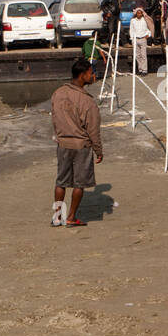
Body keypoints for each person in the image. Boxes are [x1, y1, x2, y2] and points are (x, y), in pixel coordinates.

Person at [50, 58, 103, 227]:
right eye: (90, 73)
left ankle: (57, 217)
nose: (93, 76)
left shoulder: (58, 93)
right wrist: (98, 150)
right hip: (81, 146)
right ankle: (71, 216)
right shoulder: (87, 101)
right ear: (82, 75)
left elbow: (55, 119)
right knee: (79, 183)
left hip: (63, 143)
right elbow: (93, 129)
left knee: (61, 181)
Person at [129, 4, 152, 76]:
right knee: (137, 55)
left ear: (142, 13)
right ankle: (140, 69)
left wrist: (149, 35)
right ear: (136, 13)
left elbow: (150, 28)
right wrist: (132, 38)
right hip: (136, 39)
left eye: (140, 13)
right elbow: (131, 30)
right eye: (138, 13)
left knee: (143, 55)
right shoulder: (133, 20)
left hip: (143, 39)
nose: (139, 14)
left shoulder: (145, 20)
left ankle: (145, 70)